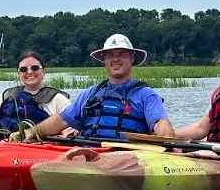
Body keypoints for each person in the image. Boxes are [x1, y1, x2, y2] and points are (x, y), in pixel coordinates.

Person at [10, 33, 176, 141]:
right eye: (110, 55)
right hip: (88, 155)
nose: (115, 59)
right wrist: (31, 131)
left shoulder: (145, 95)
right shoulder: (91, 93)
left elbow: (161, 124)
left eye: (121, 54)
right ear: (104, 59)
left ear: (132, 58)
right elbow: (61, 119)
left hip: (127, 157)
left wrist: (168, 141)